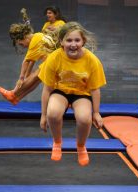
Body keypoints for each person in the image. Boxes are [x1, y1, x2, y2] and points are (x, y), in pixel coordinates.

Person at [38, 22, 106, 166]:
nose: (73, 44)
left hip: (81, 93)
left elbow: (95, 89)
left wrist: (96, 113)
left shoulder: (92, 60)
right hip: (60, 91)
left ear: (83, 42)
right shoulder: (55, 58)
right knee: (53, 113)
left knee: (84, 118)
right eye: (69, 40)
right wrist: (43, 115)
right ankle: (57, 142)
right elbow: (47, 89)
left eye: (77, 40)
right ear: (61, 42)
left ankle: (81, 146)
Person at [0, 8, 59, 105]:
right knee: (37, 77)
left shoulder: (36, 39)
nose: (24, 46)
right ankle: (17, 98)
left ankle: (13, 93)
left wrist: (21, 78)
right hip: (53, 63)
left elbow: (26, 61)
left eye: (21, 44)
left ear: (25, 37)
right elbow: (31, 61)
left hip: (56, 63)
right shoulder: (37, 37)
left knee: (37, 74)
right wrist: (26, 77)